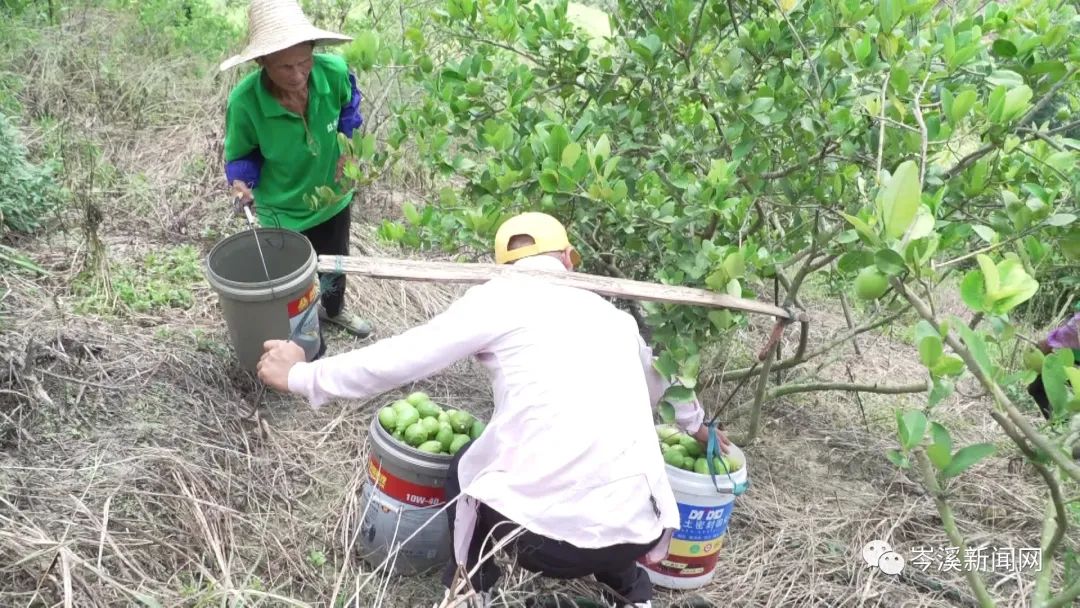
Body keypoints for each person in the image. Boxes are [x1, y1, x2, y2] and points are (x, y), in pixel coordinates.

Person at [256, 212, 732, 608]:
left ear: (501, 266)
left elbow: (400, 357)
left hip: (538, 541)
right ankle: (634, 591)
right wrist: (698, 428)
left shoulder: (496, 299)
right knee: (607, 472)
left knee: (462, 471)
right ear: (570, 260)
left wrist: (303, 375)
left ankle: (469, 588)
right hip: (641, 530)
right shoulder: (618, 321)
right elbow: (667, 386)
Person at [219, 0, 373, 341]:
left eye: (304, 61)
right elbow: (242, 155)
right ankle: (293, 330)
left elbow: (351, 106)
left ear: (314, 51)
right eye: (284, 67)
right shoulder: (245, 103)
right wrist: (242, 183)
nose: (298, 74)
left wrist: (348, 148)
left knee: (334, 263)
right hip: (282, 209)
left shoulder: (333, 72)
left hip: (331, 196)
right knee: (288, 276)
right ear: (262, 63)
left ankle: (333, 311)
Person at [1027, 307, 1080, 420]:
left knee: (1038, 388)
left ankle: (1064, 427)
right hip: (1071, 361)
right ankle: (1062, 426)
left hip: (1074, 364)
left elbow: (1076, 325)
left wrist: (1051, 341)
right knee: (1037, 387)